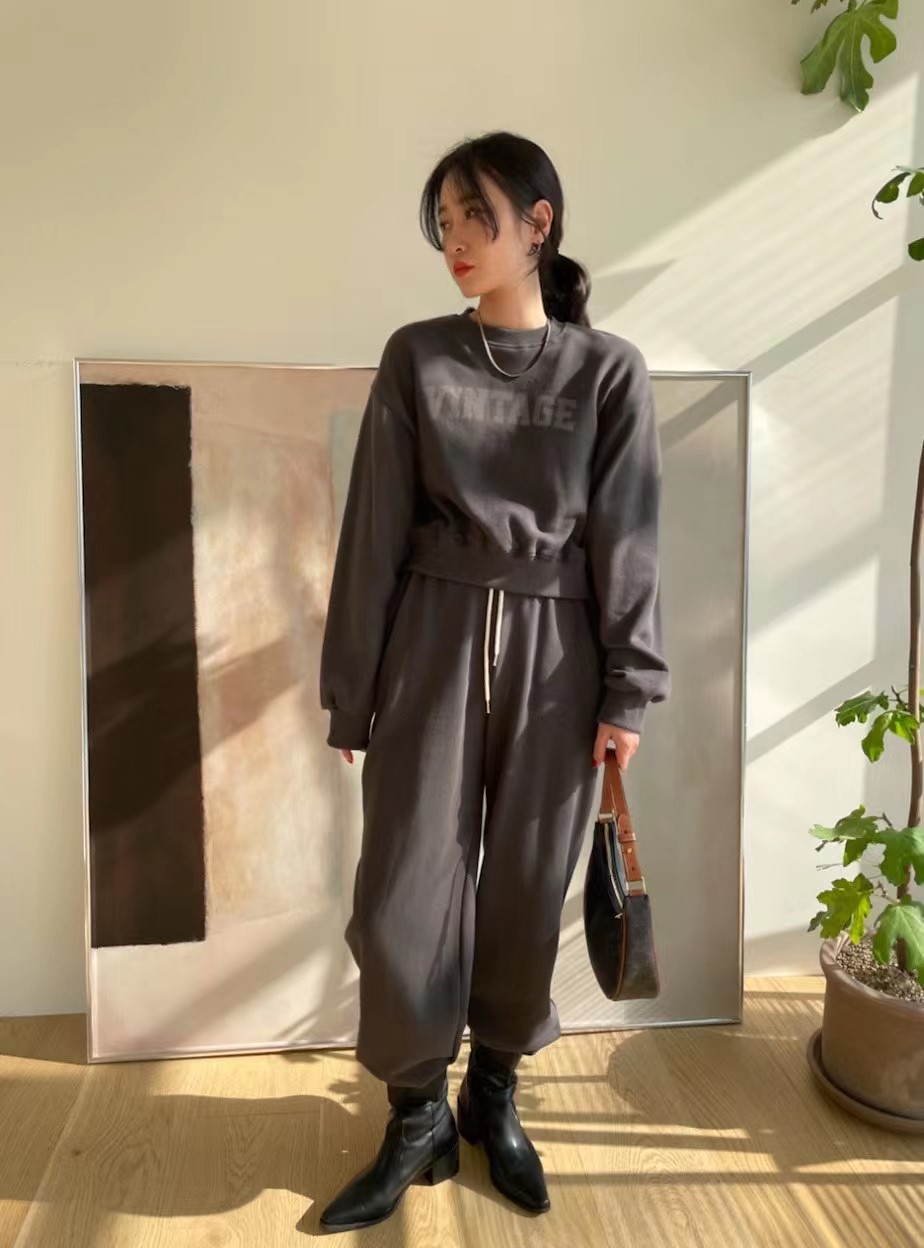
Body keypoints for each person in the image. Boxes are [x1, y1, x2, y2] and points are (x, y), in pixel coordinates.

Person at [317, 130, 671, 1231]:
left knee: (525, 886)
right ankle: (417, 1115)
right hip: (430, 639)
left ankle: (495, 1093)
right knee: (404, 892)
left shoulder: (608, 371)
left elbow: (629, 538)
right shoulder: (417, 357)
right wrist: (352, 687)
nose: (457, 242)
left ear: (538, 223)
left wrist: (628, 690)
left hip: (562, 659)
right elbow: (373, 528)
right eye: (445, 224)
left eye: (477, 216)